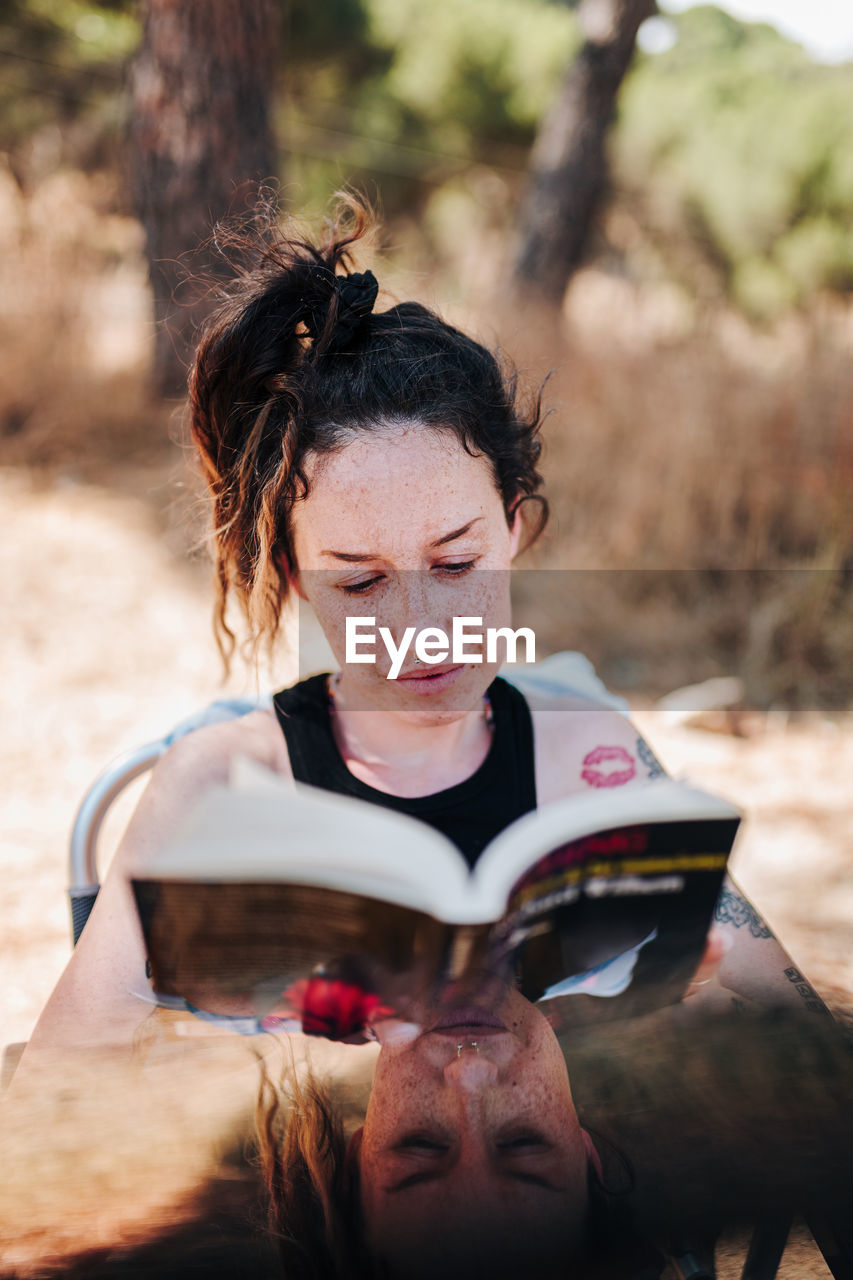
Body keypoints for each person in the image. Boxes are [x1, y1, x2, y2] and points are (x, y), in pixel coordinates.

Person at [26, 195, 818, 1054]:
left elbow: (798, 1023)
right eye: (361, 581)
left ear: (513, 528)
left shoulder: (585, 750)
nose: (420, 627)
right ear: (295, 578)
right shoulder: (220, 782)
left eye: (454, 565)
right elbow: (62, 1079)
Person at [258, 981, 666, 1280]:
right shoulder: (648, 943)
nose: (468, 1071)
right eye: (524, 1143)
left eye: (420, 1144)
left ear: (357, 1159)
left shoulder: (262, 987)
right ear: (587, 1157)